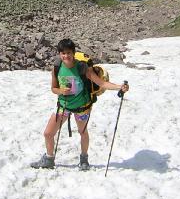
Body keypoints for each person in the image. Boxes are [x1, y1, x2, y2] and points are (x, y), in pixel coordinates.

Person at [31, 38, 129, 171]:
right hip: (64, 106)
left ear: (73, 52)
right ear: (59, 54)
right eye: (63, 53)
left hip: (82, 107)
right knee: (48, 133)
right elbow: (53, 88)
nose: (66, 56)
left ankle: (84, 159)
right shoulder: (56, 68)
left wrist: (119, 87)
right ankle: (49, 159)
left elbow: (101, 83)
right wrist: (61, 91)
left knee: (83, 132)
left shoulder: (83, 68)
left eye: (68, 53)